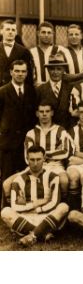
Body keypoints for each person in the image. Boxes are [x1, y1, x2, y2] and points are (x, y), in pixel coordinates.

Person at [0, 146, 69, 247]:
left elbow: (54, 202)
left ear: (44, 159)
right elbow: (15, 206)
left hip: (46, 215)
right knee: (5, 211)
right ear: (27, 160)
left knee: (63, 206)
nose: (35, 163)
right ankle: (43, 233)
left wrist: (38, 210)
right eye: (32, 160)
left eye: (38, 159)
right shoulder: (18, 180)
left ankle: (31, 235)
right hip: (26, 217)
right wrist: (35, 204)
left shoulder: (53, 177)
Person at [0, 60, 37, 201]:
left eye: (23, 71)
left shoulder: (32, 91)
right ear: (11, 72)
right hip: (8, 144)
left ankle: (24, 204)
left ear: (27, 73)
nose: (20, 74)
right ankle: (5, 208)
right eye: (17, 71)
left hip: (26, 144)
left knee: (25, 177)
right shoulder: (3, 92)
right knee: (6, 179)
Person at [22, 101, 73, 201]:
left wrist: (43, 155)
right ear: (37, 114)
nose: (44, 114)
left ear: (52, 113)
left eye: (47, 111)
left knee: (64, 181)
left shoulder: (60, 130)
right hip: (35, 166)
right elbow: (27, 156)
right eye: (41, 111)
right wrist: (54, 153)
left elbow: (65, 152)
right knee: (9, 183)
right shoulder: (31, 133)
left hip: (56, 166)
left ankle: (63, 205)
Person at [36, 52, 75, 130]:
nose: (55, 72)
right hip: (47, 131)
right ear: (48, 70)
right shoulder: (40, 90)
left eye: (59, 69)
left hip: (67, 130)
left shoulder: (70, 88)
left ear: (63, 70)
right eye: (52, 69)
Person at [29, 21, 68, 86]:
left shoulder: (60, 50)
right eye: (43, 32)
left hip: (56, 90)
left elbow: (66, 71)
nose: (46, 35)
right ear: (38, 33)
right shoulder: (31, 52)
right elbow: (29, 73)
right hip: (37, 89)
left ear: (53, 34)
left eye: (49, 33)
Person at [0, 19, 34, 86]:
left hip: (15, 90)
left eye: (13, 30)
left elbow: (29, 76)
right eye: (7, 29)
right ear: (1, 31)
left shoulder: (24, 51)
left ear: (16, 32)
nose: (10, 32)